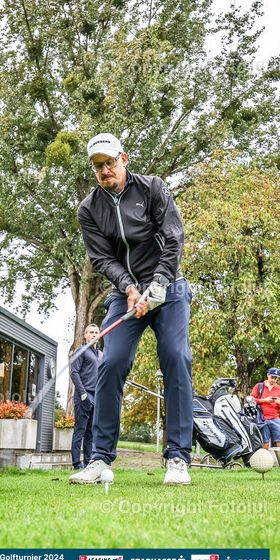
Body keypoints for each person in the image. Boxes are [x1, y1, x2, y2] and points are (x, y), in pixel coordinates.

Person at [69, 132, 194, 487]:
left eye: (109, 162)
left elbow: (174, 237)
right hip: (126, 294)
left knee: (176, 357)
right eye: (97, 166)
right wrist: (129, 288)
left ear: (123, 159)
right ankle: (99, 458)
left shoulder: (153, 188)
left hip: (169, 288)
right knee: (110, 362)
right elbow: (102, 258)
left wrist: (158, 283)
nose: (105, 170)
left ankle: (178, 458)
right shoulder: (89, 209)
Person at [69, 324, 101, 470]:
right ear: (85, 335)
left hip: (97, 396)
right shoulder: (81, 351)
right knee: (80, 430)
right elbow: (74, 373)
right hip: (83, 394)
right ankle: (77, 464)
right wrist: (82, 394)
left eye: (96, 332)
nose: (94, 334)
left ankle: (88, 464)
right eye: (91, 332)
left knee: (91, 432)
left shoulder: (101, 354)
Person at [250, 368, 280, 449]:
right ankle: (262, 457)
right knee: (265, 445)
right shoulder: (259, 386)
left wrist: (278, 403)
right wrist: (265, 400)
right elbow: (251, 400)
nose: (273, 380)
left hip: (275, 419)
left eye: (275, 378)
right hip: (262, 419)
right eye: (272, 377)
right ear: (268, 375)